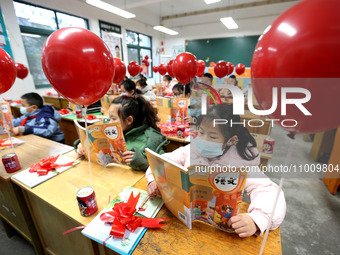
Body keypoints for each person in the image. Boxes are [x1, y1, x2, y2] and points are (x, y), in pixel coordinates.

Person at [146, 104, 286, 237]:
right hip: (183, 223)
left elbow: (270, 191)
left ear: (231, 140)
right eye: (201, 132)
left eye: (212, 136)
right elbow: (162, 161)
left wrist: (257, 220)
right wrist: (153, 179)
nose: (203, 140)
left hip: (220, 231)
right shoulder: (193, 150)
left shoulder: (241, 162)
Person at [76, 95, 167, 171]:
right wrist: (83, 146)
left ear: (129, 120)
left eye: (114, 118)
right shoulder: (109, 130)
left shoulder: (151, 140)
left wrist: (143, 162)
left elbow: (163, 169)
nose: (110, 123)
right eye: (109, 117)